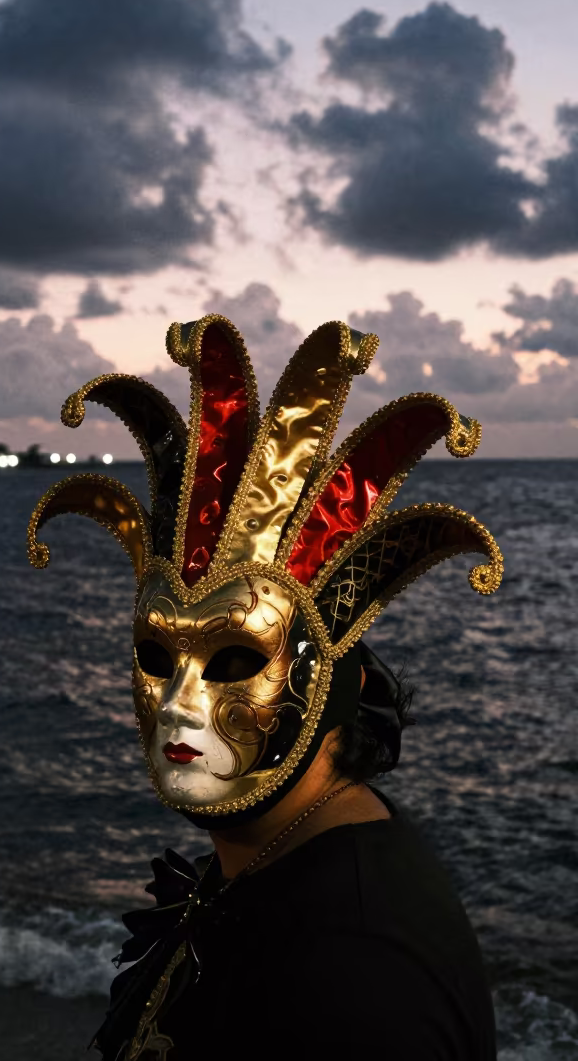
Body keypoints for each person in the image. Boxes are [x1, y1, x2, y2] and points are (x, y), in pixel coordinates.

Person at [28, 314, 503, 1060]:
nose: (178, 703)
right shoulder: (274, 866)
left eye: (233, 660)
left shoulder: (356, 980)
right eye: (155, 655)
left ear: (337, 683)